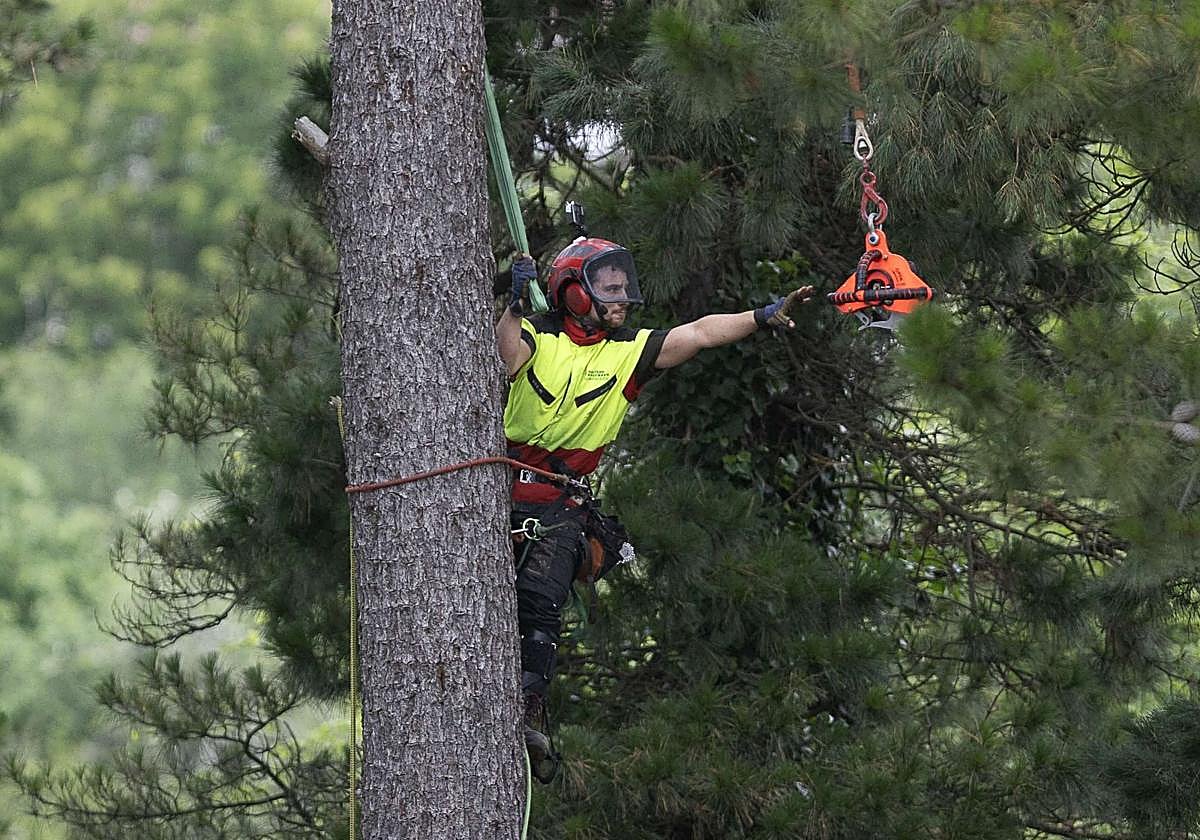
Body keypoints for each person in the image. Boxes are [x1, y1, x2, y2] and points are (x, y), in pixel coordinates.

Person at [496, 237, 813, 780]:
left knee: (540, 603)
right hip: (496, 491)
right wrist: (507, 299)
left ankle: (527, 708)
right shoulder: (537, 335)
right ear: (573, 291)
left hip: (560, 500)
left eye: (624, 287)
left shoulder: (629, 351)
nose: (622, 299)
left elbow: (699, 333)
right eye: (609, 288)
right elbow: (506, 353)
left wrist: (762, 315)